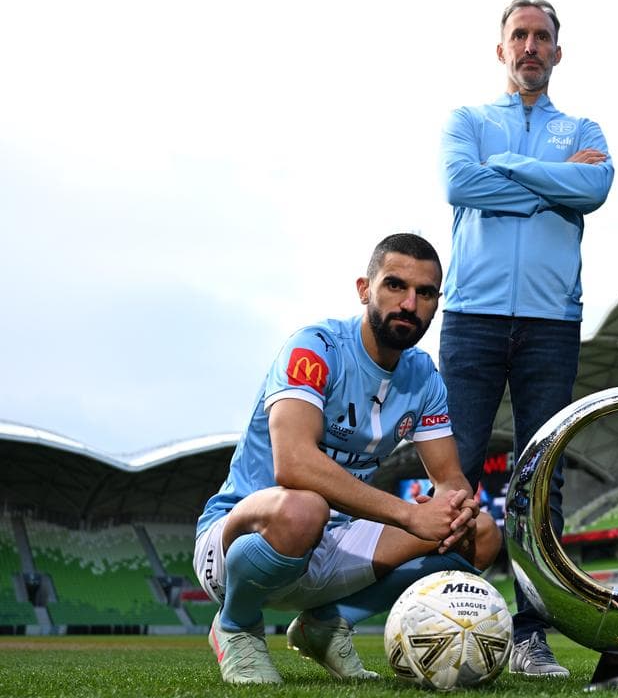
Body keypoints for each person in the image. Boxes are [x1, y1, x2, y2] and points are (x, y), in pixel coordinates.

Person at [193, 233, 502, 685]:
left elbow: (450, 477)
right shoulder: (315, 348)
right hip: (241, 537)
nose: (409, 304)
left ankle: (328, 623)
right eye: (395, 285)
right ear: (364, 289)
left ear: (437, 304)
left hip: (334, 540)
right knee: (303, 507)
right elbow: (293, 465)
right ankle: (236, 625)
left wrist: (456, 507)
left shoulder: (423, 376)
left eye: (425, 293)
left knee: (482, 535)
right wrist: (408, 515)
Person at [439, 0, 613, 677]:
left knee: (543, 479)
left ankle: (530, 633)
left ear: (557, 52)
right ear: (501, 48)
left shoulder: (583, 126)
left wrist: (507, 167)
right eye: (520, 35)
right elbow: (459, 183)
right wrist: (551, 185)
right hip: (472, 316)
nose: (531, 46)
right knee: (455, 473)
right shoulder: (468, 120)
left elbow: (594, 190)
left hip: (551, 322)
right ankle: (451, 622)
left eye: (542, 36)